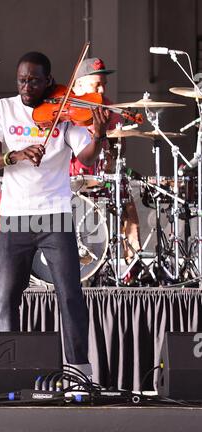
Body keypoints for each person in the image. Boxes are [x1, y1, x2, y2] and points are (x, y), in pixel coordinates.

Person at [0, 51, 110, 377]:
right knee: (6, 295)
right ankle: (9, 366)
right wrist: (15, 155)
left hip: (54, 214)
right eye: (22, 80)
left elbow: (89, 158)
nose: (26, 86)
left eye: (34, 80)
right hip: (15, 216)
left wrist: (99, 132)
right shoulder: (4, 109)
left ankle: (80, 371)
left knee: (70, 295)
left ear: (48, 81)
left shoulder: (64, 113)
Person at [72, 57, 141, 275]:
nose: (102, 90)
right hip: (70, 180)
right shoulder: (68, 108)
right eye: (96, 85)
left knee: (127, 200)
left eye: (104, 84)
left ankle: (129, 266)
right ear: (80, 85)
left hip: (102, 178)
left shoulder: (109, 108)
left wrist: (113, 146)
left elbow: (119, 147)